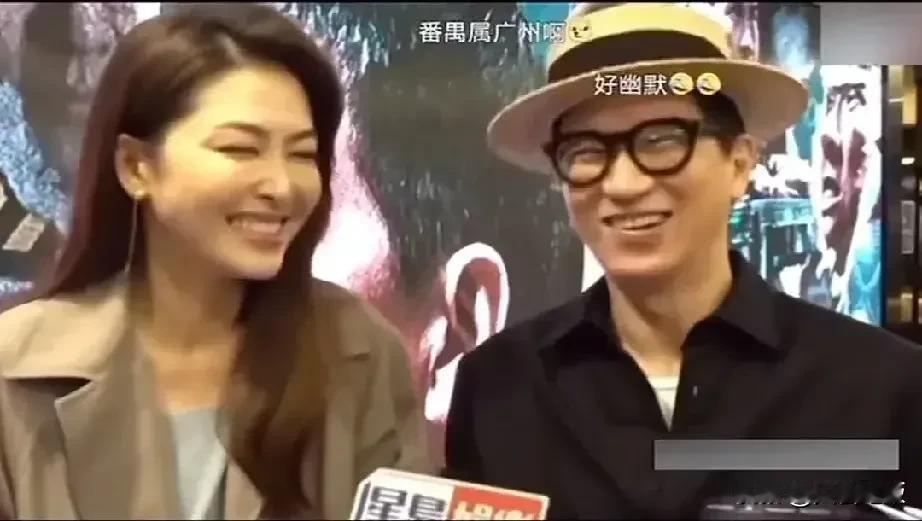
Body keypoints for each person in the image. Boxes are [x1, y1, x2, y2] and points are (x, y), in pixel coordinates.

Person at [444, 3, 922, 519]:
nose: (623, 184)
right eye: (585, 151)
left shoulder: (880, 385)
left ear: (740, 163)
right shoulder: (498, 387)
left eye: (661, 141)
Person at [0, 4, 431, 520]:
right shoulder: (16, 368)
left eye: (302, 154)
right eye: (240, 148)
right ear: (136, 167)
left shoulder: (359, 350)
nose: (281, 186)